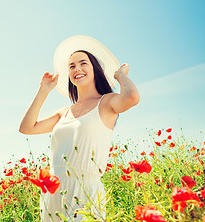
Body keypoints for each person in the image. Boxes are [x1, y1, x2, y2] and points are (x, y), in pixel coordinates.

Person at [19, 36, 139, 221]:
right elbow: (27, 128)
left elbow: (131, 97)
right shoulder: (64, 113)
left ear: (95, 70)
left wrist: (120, 76)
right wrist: (43, 90)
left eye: (83, 63)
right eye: (72, 66)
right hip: (54, 191)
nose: (77, 69)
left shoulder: (106, 102)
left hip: (85, 190)